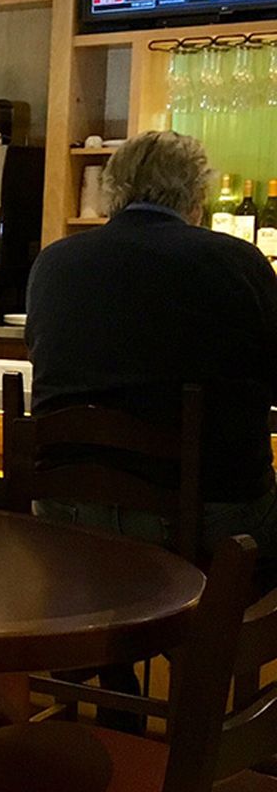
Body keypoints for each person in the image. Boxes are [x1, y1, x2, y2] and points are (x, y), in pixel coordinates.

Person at [25, 129, 277, 588]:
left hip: (68, 512)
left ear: (112, 189)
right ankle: (214, 654)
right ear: (197, 196)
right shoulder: (238, 262)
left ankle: (106, 652)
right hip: (209, 521)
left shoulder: (54, 263)